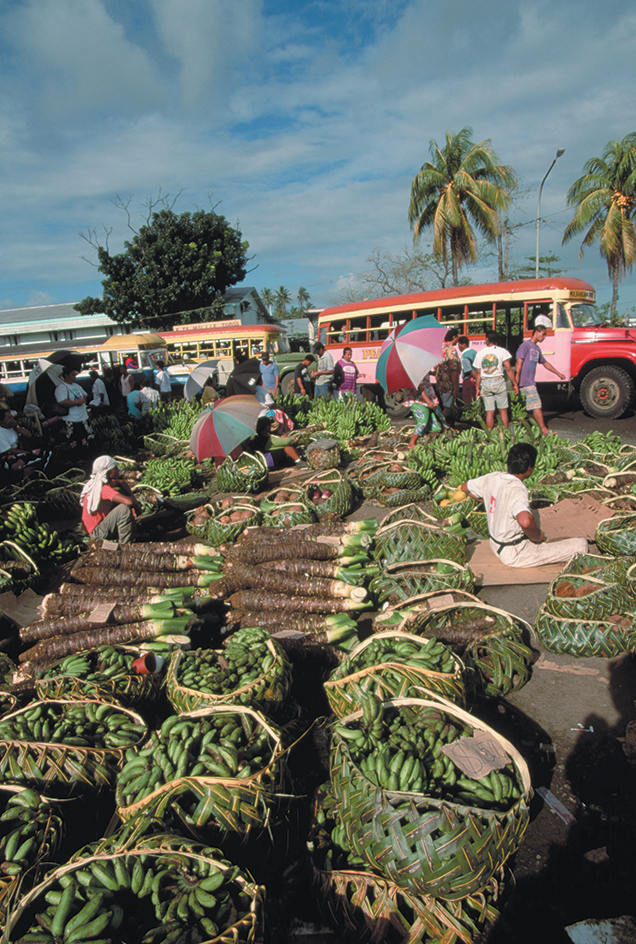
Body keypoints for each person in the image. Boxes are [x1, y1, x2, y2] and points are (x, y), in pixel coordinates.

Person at [460, 442, 588, 567]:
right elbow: (525, 521)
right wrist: (538, 537)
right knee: (581, 545)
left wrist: (487, 500)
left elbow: (465, 487)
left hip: (495, 544)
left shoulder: (493, 478)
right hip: (514, 552)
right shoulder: (517, 489)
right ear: (529, 468)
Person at [515, 325, 565, 436]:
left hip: (530, 381)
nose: (544, 337)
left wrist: (558, 373)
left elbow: (545, 363)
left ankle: (526, 430)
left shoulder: (536, 348)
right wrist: (516, 379)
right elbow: (519, 362)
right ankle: (543, 429)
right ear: (537, 332)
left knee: (528, 407)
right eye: (543, 334)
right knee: (536, 405)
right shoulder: (525, 345)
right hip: (526, 382)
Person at [80, 456, 142, 545]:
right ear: (108, 472)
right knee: (124, 509)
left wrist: (122, 484)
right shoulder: (103, 489)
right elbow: (129, 502)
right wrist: (136, 505)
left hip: (95, 528)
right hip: (97, 532)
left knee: (119, 498)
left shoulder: (98, 483)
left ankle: (130, 532)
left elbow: (120, 482)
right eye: (115, 468)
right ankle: (124, 545)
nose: (118, 470)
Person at [473, 330, 519, 429]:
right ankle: (504, 432)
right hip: (498, 381)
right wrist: (514, 383)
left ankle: (489, 434)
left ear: (487, 339)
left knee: (489, 411)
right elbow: (508, 368)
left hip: (485, 382)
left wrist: (477, 388)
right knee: (503, 410)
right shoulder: (502, 351)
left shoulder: (480, 353)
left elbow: (478, 373)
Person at [0, 409, 51, 478]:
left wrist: (16, 427)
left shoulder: (13, 427)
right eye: (9, 418)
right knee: (25, 459)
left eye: (12, 417)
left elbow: (29, 435)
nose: (12, 419)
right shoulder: (1, 432)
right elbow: (8, 450)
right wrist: (24, 452)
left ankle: (44, 472)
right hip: (9, 455)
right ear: (1, 421)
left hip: (21, 451)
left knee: (45, 452)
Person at [54, 367, 94, 449]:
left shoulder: (76, 385)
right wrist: (78, 402)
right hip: (71, 419)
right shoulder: (62, 387)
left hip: (83, 417)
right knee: (74, 442)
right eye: (72, 375)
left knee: (86, 441)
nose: (75, 377)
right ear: (66, 375)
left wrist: (82, 400)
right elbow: (63, 402)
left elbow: (84, 395)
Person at [406, 379, 447, 448]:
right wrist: (428, 401)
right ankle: (411, 443)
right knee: (423, 421)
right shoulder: (414, 372)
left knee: (436, 415)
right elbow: (419, 388)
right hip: (418, 400)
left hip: (426, 398)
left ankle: (445, 430)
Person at [434, 328, 461, 418]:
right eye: (457, 337)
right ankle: (443, 425)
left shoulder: (439, 349)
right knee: (447, 407)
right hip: (448, 383)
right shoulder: (451, 350)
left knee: (444, 405)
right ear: (454, 337)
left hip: (440, 383)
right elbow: (453, 370)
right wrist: (456, 386)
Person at [457, 336, 477, 404]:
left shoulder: (465, 356)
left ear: (464, 345)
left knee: (468, 401)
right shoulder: (474, 352)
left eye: (459, 345)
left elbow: (470, 370)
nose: (458, 347)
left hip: (469, 381)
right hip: (476, 379)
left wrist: (477, 379)